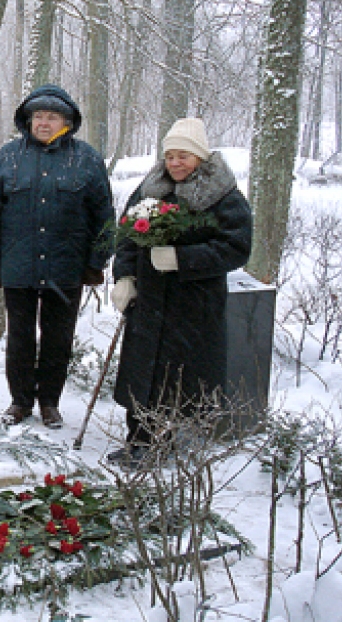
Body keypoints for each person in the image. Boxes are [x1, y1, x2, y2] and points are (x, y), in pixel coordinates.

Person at [109, 117, 252, 468]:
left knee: (178, 376)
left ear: (201, 157)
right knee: (143, 372)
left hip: (192, 305)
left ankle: (165, 443)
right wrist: (124, 277)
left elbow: (236, 248)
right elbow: (127, 235)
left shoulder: (224, 196)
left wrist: (182, 258)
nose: (175, 163)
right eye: (170, 155)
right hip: (148, 300)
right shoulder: (150, 188)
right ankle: (138, 440)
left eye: (184, 156)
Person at [0, 84, 114, 429]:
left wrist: (96, 262)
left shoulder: (86, 159)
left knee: (58, 339)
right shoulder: (7, 158)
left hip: (66, 267)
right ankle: (21, 401)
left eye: (52, 117)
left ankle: (50, 402)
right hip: (18, 266)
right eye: (38, 116)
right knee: (20, 338)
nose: (43, 123)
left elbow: (104, 218)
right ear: (28, 120)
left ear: (67, 122)